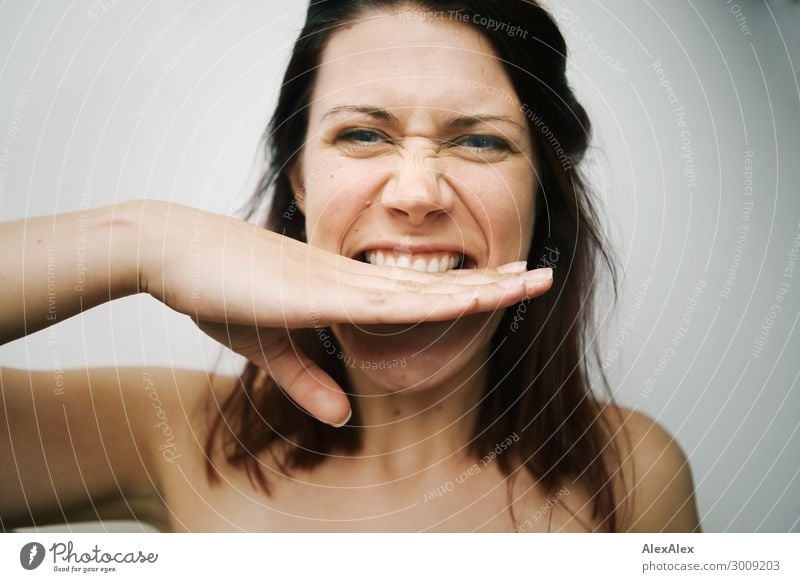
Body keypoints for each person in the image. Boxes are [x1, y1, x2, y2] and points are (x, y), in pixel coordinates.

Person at [0, 0, 701, 532]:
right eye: (363, 134)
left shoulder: (637, 474)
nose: (417, 194)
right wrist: (141, 241)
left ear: (538, 197)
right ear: (300, 183)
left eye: (481, 142)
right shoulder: (167, 432)